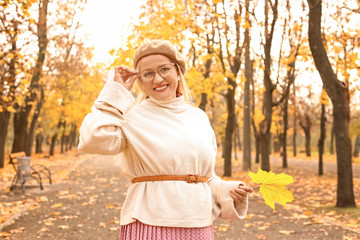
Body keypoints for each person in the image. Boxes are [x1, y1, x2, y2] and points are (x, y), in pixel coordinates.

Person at [78, 40, 253, 239]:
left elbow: (206, 176)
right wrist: (116, 91)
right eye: (148, 73)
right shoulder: (130, 116)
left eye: (164, 69)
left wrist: (227, 189)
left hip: (198, 225)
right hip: (149, 223)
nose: (158, 79)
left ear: (178, 71)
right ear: (140, 80)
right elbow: (92, 139)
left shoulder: (199, 117)